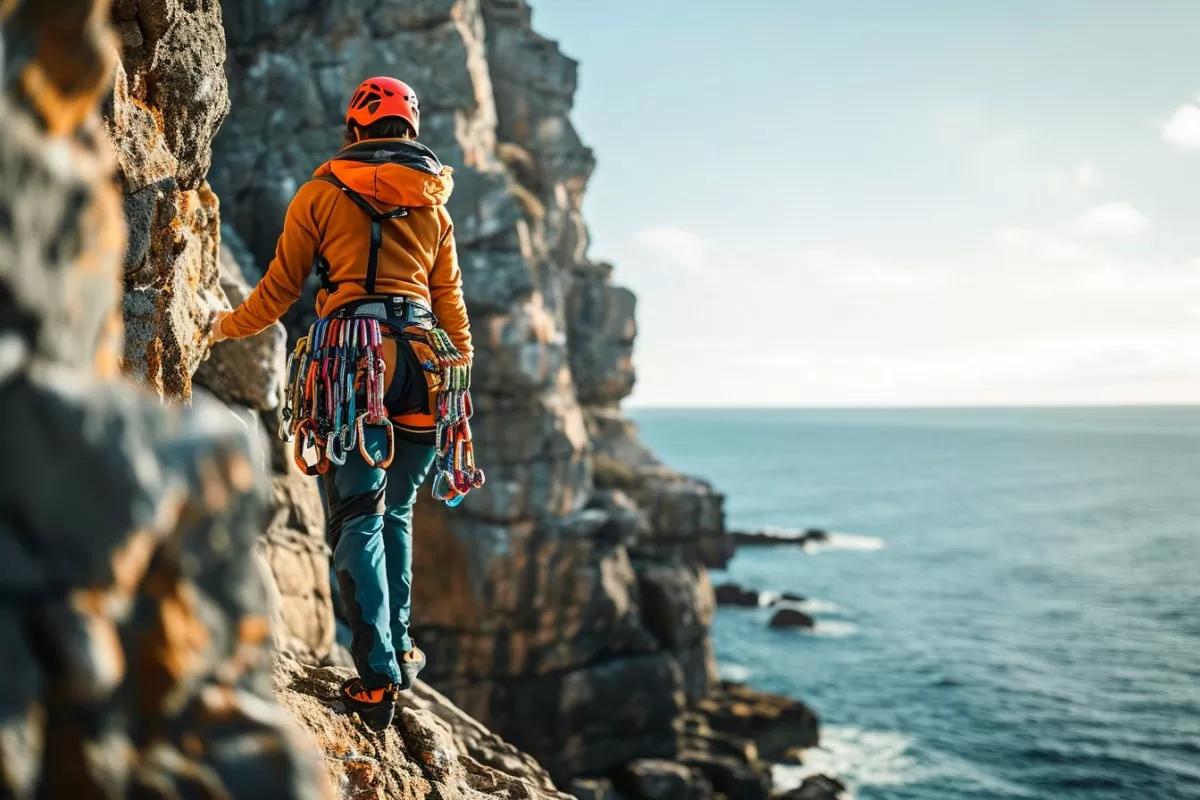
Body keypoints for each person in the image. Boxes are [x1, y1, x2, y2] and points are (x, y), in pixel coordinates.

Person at [210, 76, 472, 731]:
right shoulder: (436, 204)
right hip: (425, 358)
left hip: (355, 361)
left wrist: (220, 326)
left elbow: (277, 293)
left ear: (355, 128)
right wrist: (455, 382)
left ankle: (378, 679)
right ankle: (400, 650)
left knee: (359, 515)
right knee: (400, 511)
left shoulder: (322, 192)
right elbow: (453, 307)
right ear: (410, 131)